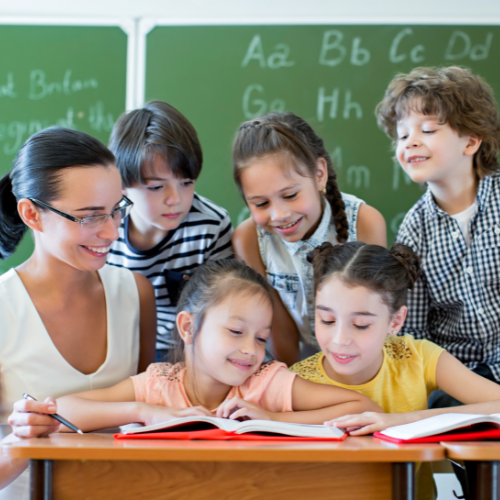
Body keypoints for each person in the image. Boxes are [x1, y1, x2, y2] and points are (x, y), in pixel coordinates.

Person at [0, 127, 157, 496]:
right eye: (90, 217)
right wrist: (19, 443)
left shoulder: (136, 294)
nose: (112, 232)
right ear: (32, 214)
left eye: (116, 211)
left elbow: (148, 421)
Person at [55, 259, 382, 431]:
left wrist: (272, 419)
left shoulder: (265, 383)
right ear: (188, 327)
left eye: (261, 338)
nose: (251, 350)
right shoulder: (158, 386)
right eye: (236, 331)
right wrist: (143, 412)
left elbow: (364, 408)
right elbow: (60, 410)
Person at [290, 241, 500, 500]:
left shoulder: (418, 357)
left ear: (396, 321)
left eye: (361, 324)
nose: (340, 340)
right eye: (327, 320)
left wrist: (406, 420)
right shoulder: (295, 382)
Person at [376, 66, 500, 409]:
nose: (411, 141)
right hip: (459, 377)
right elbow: (414, 331)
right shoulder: (414, 231)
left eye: (428, 130)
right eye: (402, 135)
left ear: (471, 141)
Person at [232, 112, 386, 365]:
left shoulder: (365, 223)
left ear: (319, 174)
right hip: (298, 360)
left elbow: (373, 320)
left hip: (360, 357)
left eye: (290, 195)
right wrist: (295, 382)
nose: (279, 215)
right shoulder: (248, 240)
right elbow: (280, 330)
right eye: (261, 203)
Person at [107, 101, 233, 362]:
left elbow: (221, 307)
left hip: (185, 349)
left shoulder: (211, 225)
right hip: (119, 344)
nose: (176, 199)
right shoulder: (105, 226)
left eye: (186, 183)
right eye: (156, 187)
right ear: (122, 186)